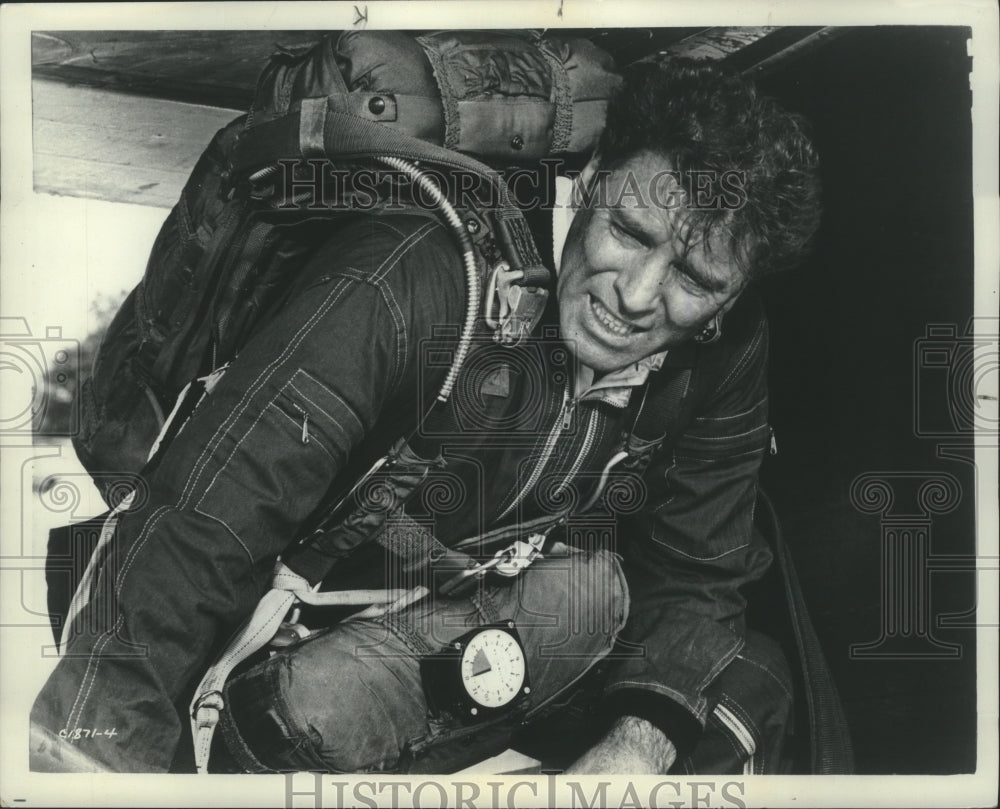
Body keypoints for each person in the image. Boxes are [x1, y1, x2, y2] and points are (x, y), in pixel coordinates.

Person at [31, 55, 821, 774]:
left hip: (459, 630)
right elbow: (195, 532)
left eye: (694, 278)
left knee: (744, 679)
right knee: (568, 603)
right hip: (265, 672)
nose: (639, 296)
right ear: (590, 182)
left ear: (731, 297)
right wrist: (97, 756)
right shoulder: (410, 282)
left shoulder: (725, 350)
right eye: (628, 232)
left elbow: (697, 572)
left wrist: (633, 751)